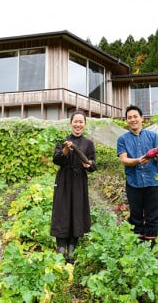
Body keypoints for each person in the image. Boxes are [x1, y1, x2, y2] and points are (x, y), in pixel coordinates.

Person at [50, 110, 96, 262]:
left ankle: (72, 245)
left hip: (79, 180)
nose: (78, 124)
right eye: (75, 121)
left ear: (84, 124)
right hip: (64, 179)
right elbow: (56, 160)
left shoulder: (88, 143)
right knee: (62, 210)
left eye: (81, 122)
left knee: (77, 209)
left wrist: (88, 165)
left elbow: (93, 164)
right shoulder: (63, 140)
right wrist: (65, 150)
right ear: (70, 124)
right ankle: (61, 244)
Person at [116, 105, 158, 247]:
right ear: (126, 121)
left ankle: (150, 245)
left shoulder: (153, 136)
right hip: (133, 183)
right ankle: (138, 245)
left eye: (135, 116)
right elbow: (124, 160)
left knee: (152, 216)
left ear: (142, 118)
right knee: (136, 215)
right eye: (129, 117)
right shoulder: (122, 139)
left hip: (152, 181)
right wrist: (137, 160)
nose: (133, 120)